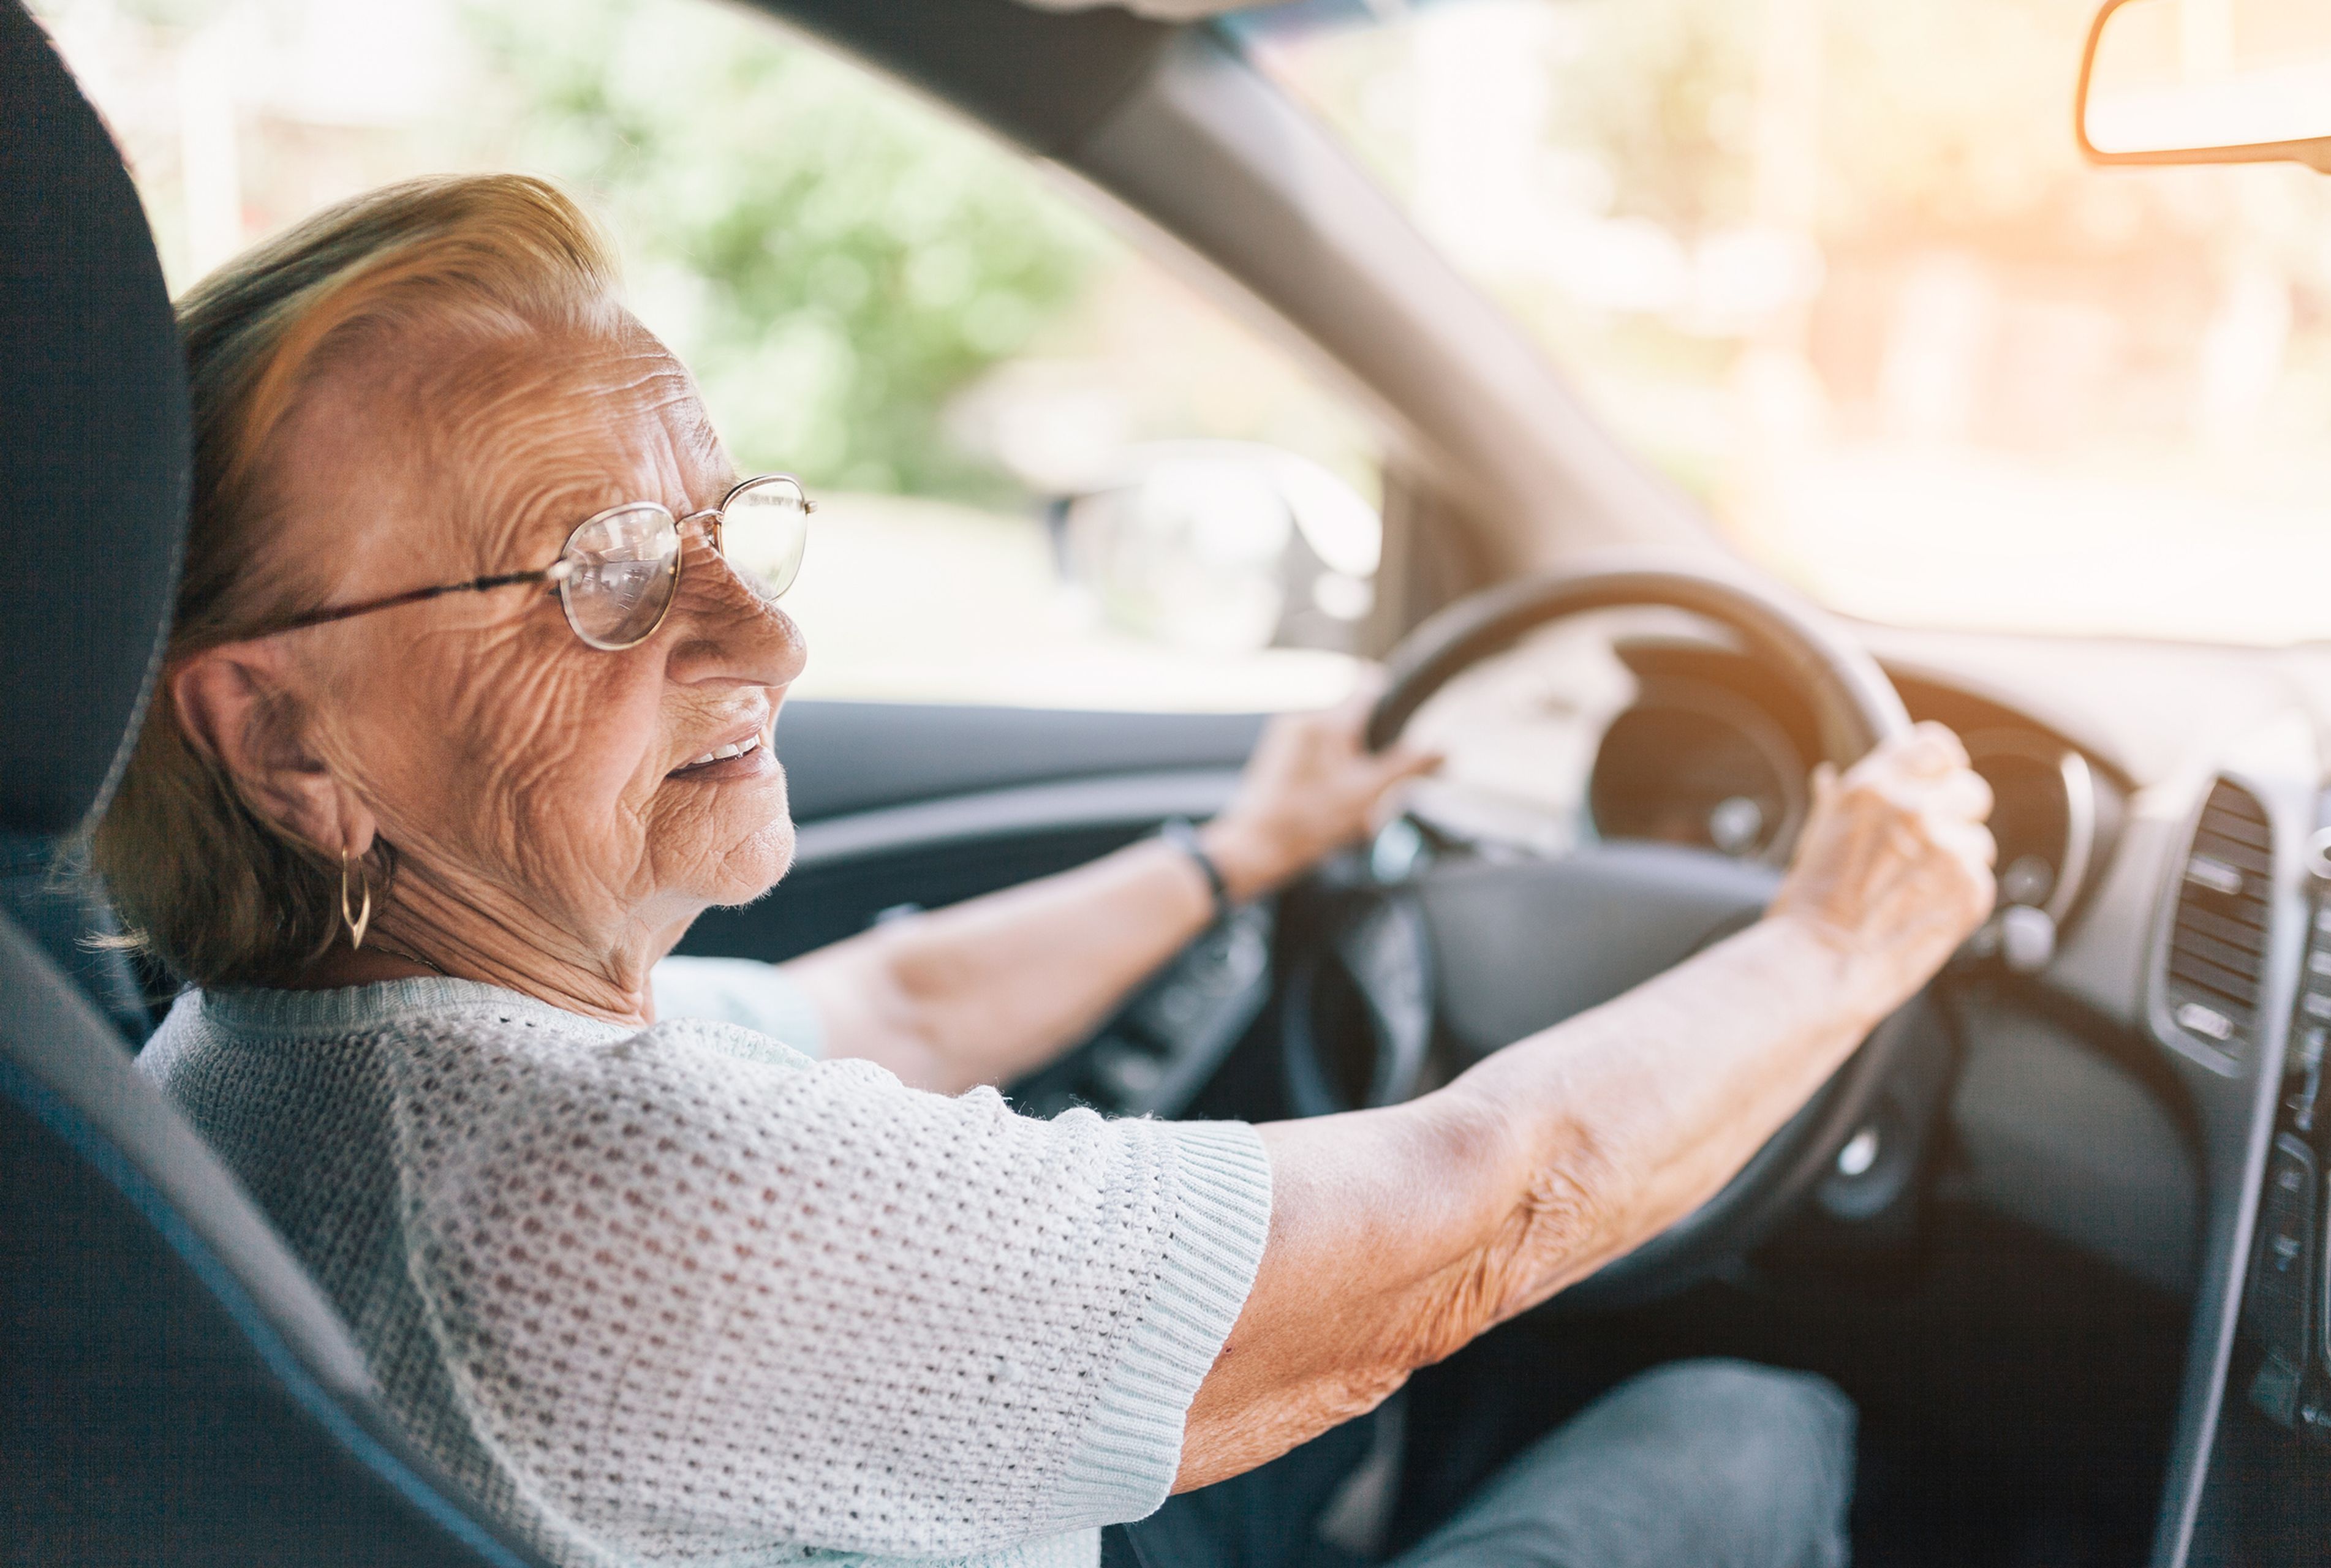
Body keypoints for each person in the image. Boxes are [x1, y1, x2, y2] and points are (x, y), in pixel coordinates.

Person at [96, 175, 1995, 1568]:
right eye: (596, 571)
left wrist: (1236, 852)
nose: (765, 640)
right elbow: (1472, 1211)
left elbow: (893, 1003)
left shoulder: (277, 1062)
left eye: (724, 526)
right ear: (281, 741)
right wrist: (1842, 939)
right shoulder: (598, 1205)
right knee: (1752, 1420)